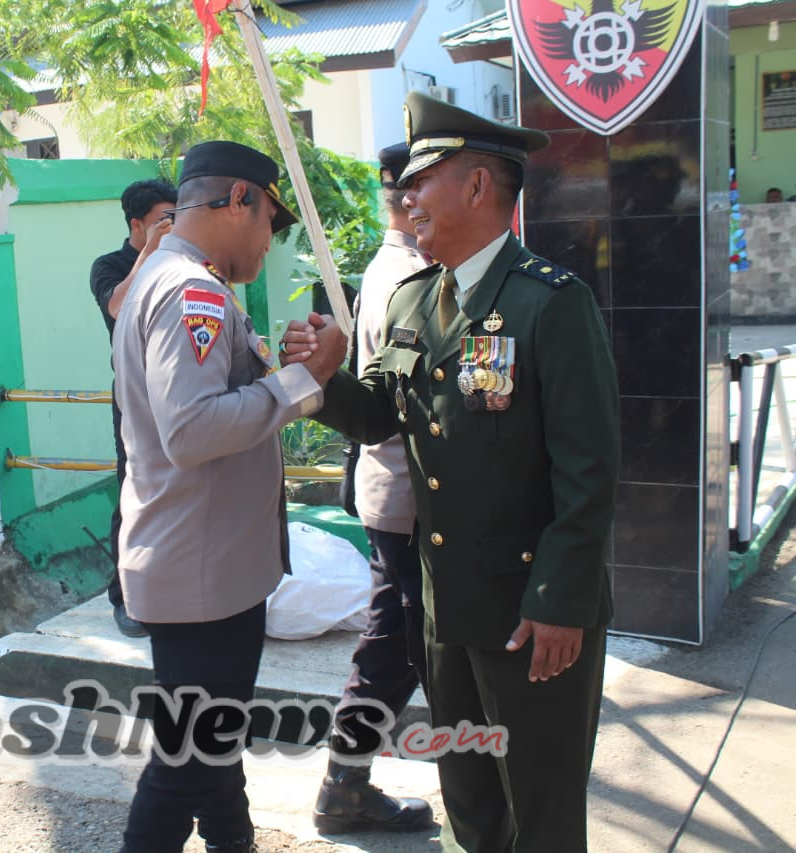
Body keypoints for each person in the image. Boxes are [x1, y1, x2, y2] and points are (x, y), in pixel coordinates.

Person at [281, 93, 619, 852]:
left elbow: (590, 472)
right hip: (446, 607)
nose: (407, 198)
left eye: (422, 179)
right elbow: (380, 416)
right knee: (470, 799)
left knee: (542, 810)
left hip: (532, 613)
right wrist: (323, 380)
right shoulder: (414, 300)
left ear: (477, 186)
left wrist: (560, 601)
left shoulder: (549, 304)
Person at [112, 140, 346, 853]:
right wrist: (306, 382)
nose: (270, 242)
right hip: (202, 579)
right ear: (239, 199)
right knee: (184, 766)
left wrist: (283, 373)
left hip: (201, 567)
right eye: (271, 221)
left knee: (211, 747)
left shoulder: (168, 278)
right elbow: (193, 430)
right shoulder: (193, 292)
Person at [311, 142, 433, 834]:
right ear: (411, 198)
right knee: (399, 644)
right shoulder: (406, 275)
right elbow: (403, 405)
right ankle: (344, 783)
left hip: (398, 491)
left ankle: (345, 783)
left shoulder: (401, 266)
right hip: (406, 494)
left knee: (399, 641)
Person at [89, 178, 179, 638]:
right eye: (164, 219)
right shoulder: (110, 265)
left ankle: (172, 587)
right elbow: (117, 306)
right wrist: (151, 253)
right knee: (134, 492)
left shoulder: (183, 263)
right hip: (134, 396)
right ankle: (124, 596)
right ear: (137, 224)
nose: (172, 226)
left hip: (181, 392)